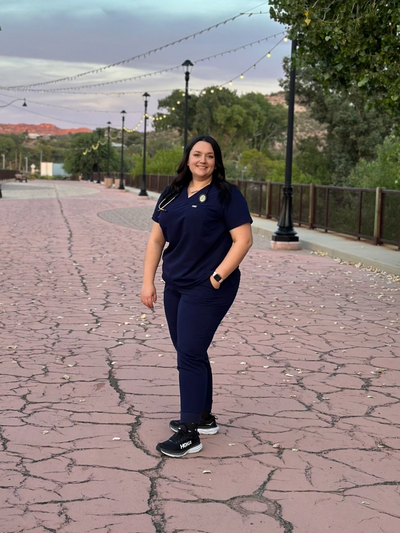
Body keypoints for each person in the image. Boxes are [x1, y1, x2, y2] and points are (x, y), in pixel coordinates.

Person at [141, 135, 253, 458]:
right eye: (196, 154)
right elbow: (155, 240)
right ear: (187, 159)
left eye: (209, 156)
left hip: (208, 287)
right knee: (190, 348)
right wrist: (148, 282)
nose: (202, 160)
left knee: (188, 352)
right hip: (175, 284)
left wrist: (217, 277)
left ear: (216, 162)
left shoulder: (226, 196)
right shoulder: (171, 193)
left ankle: (189, 434)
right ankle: (203, 416)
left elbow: (242, 240)